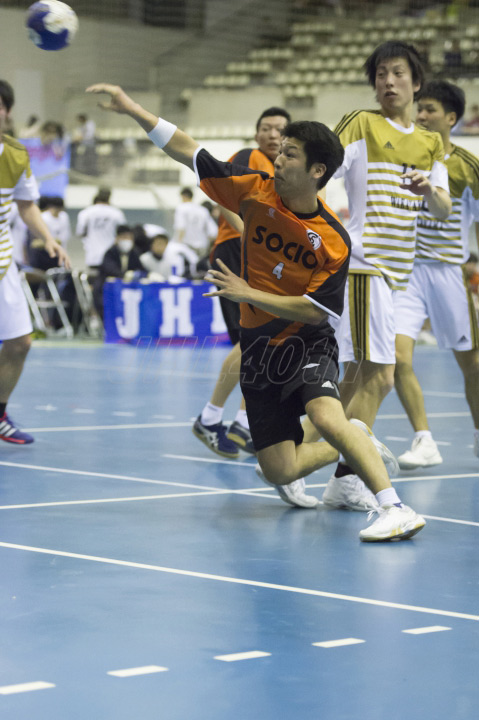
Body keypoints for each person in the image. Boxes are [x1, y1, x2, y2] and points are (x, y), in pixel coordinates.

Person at [85, 81, 427, 542]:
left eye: (289, 154)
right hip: (260, 350)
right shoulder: (253, 189)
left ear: (317, 171)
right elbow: (188, 150)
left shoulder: (333, 240)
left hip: (306, 343)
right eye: (280, 151)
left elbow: (315, 313)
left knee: (326, 417)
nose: (278, 160)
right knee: (278, 470)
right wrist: (132, 109)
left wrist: (249, 292)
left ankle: (395, 508)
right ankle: (358, 438)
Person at [302, 41, 451, 511]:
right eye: (381, 74)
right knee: (381, 377)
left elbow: (443, 208)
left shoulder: (431, 142)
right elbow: (319, 171)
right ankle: (346, 478)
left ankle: (291, 453)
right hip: (366, 266)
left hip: (399, 274)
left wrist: (429, 191)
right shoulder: (361, 124)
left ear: (416, 82)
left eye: (397, 73)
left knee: (355, 378)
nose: (388, 81)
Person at [193, 107, 291, 459]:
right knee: (255, 341)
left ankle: (241, 425)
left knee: (265, 344)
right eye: (266, 128)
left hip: (264, 257)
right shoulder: (249, 157)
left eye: (279, 129)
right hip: (238, 250)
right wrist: (250, 235)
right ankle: (213, 418)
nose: (272, 134)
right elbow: (221, 195)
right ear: (255, 134)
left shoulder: (285, 170)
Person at [394, 81, 479, 467]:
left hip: (449, 273)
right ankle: (424, 440)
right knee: (397, 357)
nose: (422, 116)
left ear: (451, 118)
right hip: (406, 273)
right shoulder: (401, 157)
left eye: (430, 109)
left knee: (472, 363)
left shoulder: (468, 167)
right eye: (420, 109)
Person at [0, 79, 69, 444]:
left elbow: (26, 204)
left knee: (20, 343)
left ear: (7, 112)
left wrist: (49, 237)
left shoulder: (15, 154)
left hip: (3, 262)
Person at [93, 224, 144, 317]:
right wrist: (126, 275)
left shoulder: (134, 253)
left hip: (128, 290)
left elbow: (141, 269)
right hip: (108, 289)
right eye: (124, 237)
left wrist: (144, 275)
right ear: (117, 239)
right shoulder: (110, 253)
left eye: (129, 238)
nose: (127, 241)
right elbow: (111, 270)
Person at [75, 188, 126, 270]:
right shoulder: (117, 213)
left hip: (93, 256)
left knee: (94, 276)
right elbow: (124, 233)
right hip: (111, 256)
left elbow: (80, 232)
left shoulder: (85, 213)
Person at [173, 187, 218, 262]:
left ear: (183, 196)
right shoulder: (203, 210)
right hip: (202, 248)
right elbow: (213, 232)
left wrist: (178, 245)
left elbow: (181, 228)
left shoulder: (181, 208)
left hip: (187, 247)